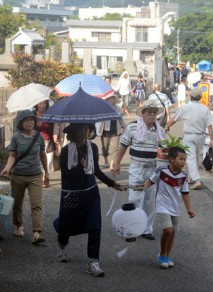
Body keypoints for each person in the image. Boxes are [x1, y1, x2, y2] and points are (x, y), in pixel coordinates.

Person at [53, 123, 124, 277]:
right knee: (67, 225)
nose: (87, 132)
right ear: (74, 132)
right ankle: (61, 245)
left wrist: (111, 183)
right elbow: (66, 173)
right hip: (71, 194)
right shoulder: (66, 151)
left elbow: (95, 170)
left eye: (88, 129)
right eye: (83, 129)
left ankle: (93, 262)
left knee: (95, 227)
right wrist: (79, 165)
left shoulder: (92, 148)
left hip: (90, 193)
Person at [112, 100, 165, 240]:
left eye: (154, 112)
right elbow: (123, 146)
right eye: (149, 112)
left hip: (153, 169)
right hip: (136, 167)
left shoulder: (160, 130)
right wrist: (117, 163)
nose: (152, 115)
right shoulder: (132, 127)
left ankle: (147, 229)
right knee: (134, 199)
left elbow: (164, 150)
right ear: (143, 114)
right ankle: (131, 229)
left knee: (150, 200)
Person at [1, 110, 48, 244]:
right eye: (26, 119)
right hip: (18, 175)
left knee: (36, 204)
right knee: (17, 204)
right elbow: (12, 156)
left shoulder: (39, 137)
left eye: (31, 119)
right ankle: (19, 225)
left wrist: (47, 172)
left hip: (35, 175)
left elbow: (43, 155)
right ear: (21, 122)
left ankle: (36, 233)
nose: (29, 122)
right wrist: (7, 168)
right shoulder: (16, 137)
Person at [144, 147, 196, 269]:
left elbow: (185, 192)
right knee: (168, 230)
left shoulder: (183, 175)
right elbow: (150, 181)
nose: (183, 162)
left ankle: (167, 255)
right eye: (181, 159)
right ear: (171, 159)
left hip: (175, 207)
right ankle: (161, 254)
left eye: (185, 159)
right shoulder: (162, 170)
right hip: (162, 205)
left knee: (172, 233)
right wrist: (143, 187)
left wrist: (189, 208)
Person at [165, 88, 213, 190]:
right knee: (195, 157)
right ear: (200, 97)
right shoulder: (205, 109)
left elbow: (174, 119)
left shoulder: (186, 107)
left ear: (190, 96)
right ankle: (191, 178)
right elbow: (209, 126)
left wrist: (167, 127)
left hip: (189, 135)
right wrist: (212, 139)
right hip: (201, 136)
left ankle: (197, 180)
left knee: (191, 157)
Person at [95, 93, 125, 170]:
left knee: (115, 148)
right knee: (105, 149)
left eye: (112, 98)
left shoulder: (117, 108)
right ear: (106, 100)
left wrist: (124, 126)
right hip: (105, 131)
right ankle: (106, 160)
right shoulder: (102, 108)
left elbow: (120, 119)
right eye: (109, 98)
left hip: (115, 130)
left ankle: (112, 164)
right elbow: (99, 119)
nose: (111, 99)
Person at [34, 100, 56, 188]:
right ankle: (41, 177)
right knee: (39, 162)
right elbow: (27, 127)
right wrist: (35, 125)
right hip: (36, 142)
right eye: (40, 103)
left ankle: (46, 177)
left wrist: (58, 141)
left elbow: (55, 128)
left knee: (49, 161)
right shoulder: (33, 116)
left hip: (49, 141)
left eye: (44, 103)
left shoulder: (49, 115)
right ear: (37, 104)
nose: (42, 105)